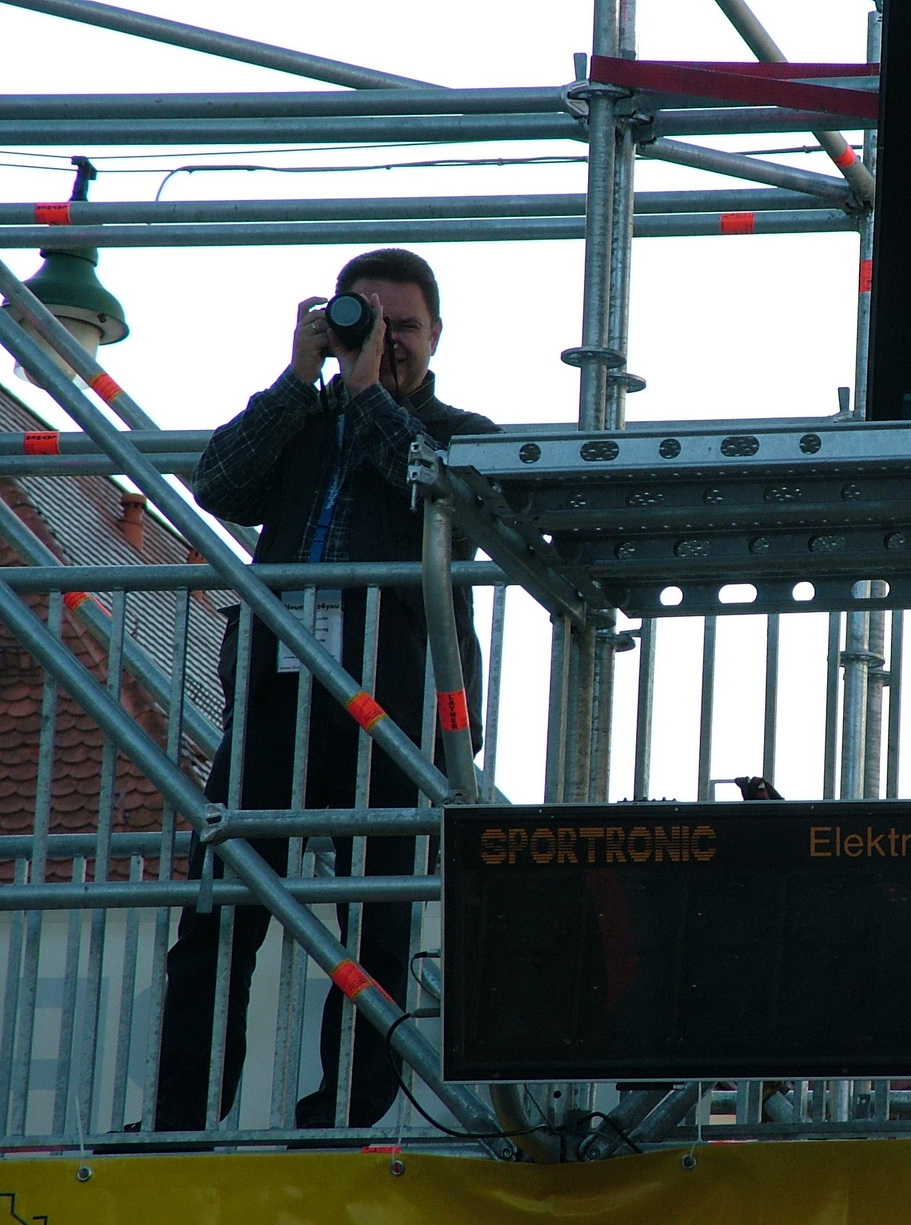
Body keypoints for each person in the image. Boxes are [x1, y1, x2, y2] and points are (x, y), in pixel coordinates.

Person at [151, 248, 499, 1132]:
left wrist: (365, 392)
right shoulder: (303, 421)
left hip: (397, 704)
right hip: (279, 693)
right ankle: (182, 1119)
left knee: (375, 926)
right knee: (220, 917)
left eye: (404, 327)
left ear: (437, 336)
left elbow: (442, 500)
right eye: (364, 320)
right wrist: (295, 377)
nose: (384, 341)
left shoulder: (461, 430)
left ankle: (342, 1114)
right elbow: (219, 481)